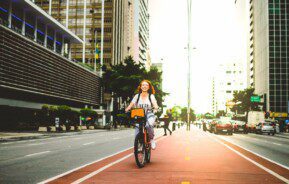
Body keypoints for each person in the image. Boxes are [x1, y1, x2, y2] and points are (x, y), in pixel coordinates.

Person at [125, 80, 159, 149]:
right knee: (137, 130)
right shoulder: (137, 96)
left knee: (148, 125)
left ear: (149, 87)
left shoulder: (151, 96)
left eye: (146, 85)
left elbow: (155, 105)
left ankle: (152, 139)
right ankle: (140, 143)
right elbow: (131, 105)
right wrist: (127, 109)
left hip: (149, 114)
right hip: (139, 115)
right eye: (143, 85)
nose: (144, 86)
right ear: (140, 87)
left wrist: (155, 108)